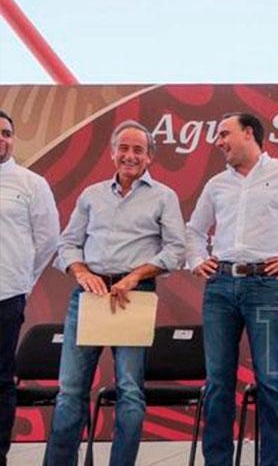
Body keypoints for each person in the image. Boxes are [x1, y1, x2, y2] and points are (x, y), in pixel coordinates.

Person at [186, 112, 278, 466]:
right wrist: (196, 259)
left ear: (248, 133)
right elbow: (194, 231)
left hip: (267, 285)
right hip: (220, 287)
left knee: (270, 381)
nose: (218, 141)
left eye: (224, 133)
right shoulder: (217, 184)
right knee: (218, 383)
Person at [44, 120, 186, 466]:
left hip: (133, 296)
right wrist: (81, 272)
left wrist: (135, 276)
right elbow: (67, 244)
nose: (130, 156)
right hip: (89, 295)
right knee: (70, 391)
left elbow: (176, 250)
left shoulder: (164, 197)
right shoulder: (91, 195)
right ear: (112, 153)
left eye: (138, 150)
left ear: (150, 156)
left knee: (130, 392)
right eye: (123, 148)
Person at [0, 109, 59, 466]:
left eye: (6, 133)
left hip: (7, 295)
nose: (1, 139)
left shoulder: (31, 183)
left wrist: (23, 281)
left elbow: (48, 240)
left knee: (1, 379)